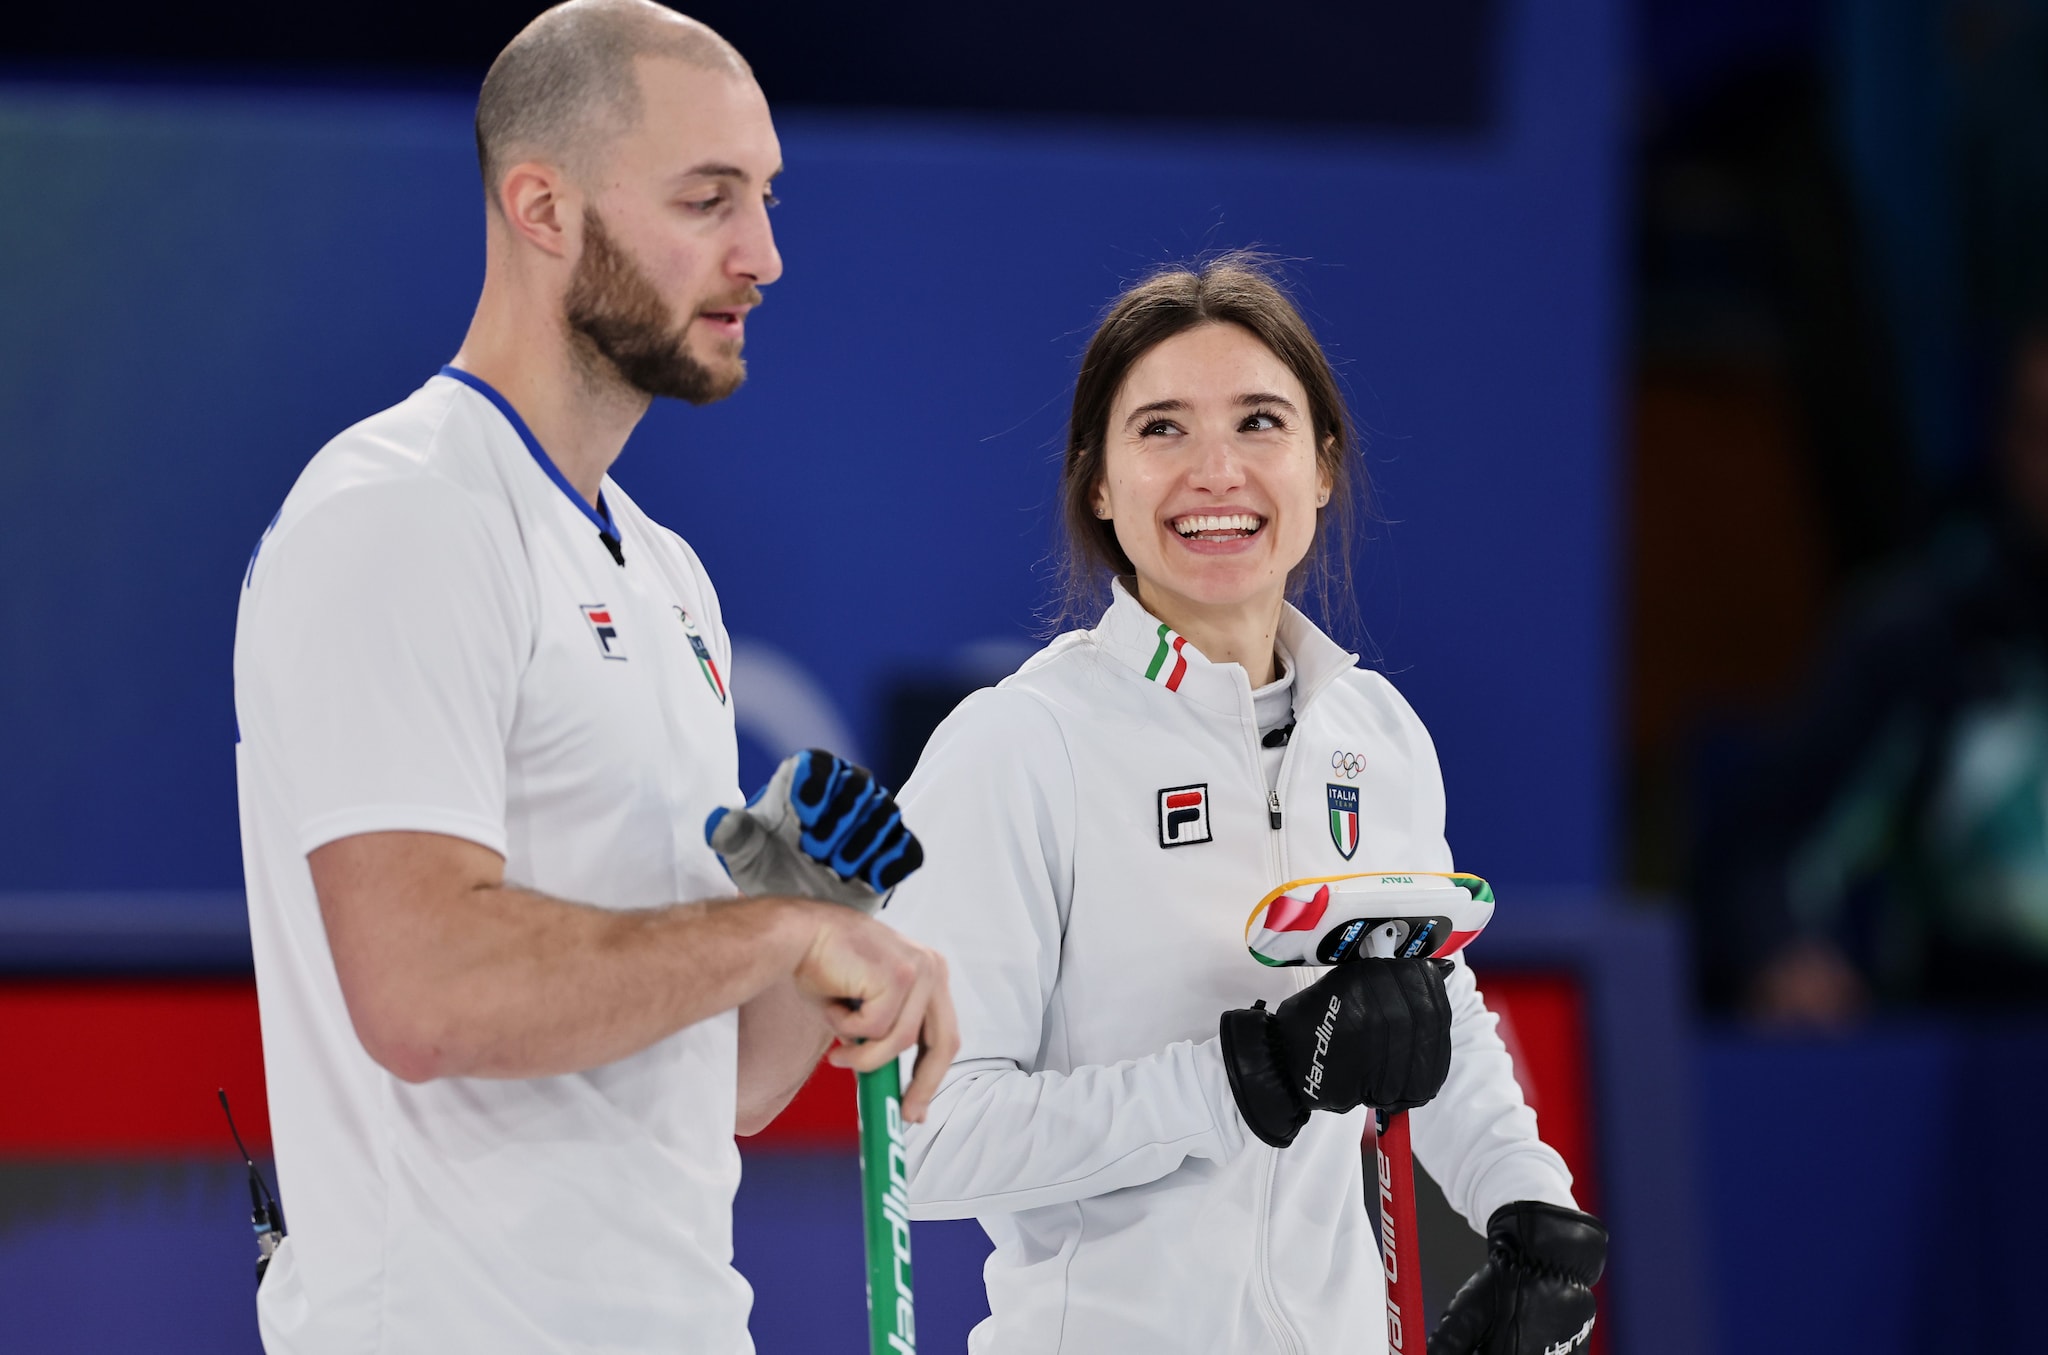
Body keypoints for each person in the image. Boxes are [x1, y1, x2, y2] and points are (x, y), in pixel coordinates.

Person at [231, 4, 955, 1351]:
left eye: (769, 197)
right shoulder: (399, 511)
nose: (765, 255)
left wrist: (814, 905)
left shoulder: (669, 574)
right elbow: (425, 990)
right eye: (709, 199)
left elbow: (723, 1080)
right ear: (542, 206)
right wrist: (779, 932)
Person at [883, 257, 1606, 1354]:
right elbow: (920, 1140)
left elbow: (1428, 1013)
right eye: (1161, 429)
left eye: (1258, 422)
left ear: (1319, 469)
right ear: (1096, 481)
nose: (1214, 470)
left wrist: (1524, 1210)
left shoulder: (1374, 733)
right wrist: (1244, 1074)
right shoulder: (1018, 745)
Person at [1697, 324, 2048, 1022]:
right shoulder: (1926, 634)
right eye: (2044, 432)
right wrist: (1785, 954)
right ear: (2009, 446)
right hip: (1979, 1044)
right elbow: (1761, 851)